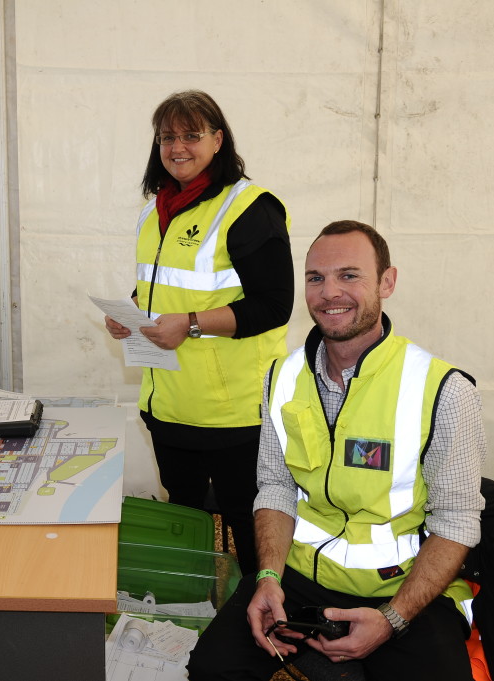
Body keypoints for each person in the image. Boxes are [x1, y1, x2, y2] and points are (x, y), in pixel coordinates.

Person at [187, 220, 487, 681]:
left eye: (349, 275)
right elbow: (275, 486)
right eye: (315, 278)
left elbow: (456, 522)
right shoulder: (280, 377)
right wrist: (267, 578)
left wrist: (392, 621)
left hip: (403, 588)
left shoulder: (443, 390)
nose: (330, 292)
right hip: (298, 580)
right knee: (211, 668)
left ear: (387, 282)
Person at [104, 90, 293, 574]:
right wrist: (130, 312)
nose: (177, 146)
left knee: (251, 532)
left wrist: (189, 324)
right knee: (185, 519)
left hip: (233, 414)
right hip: (168, 404)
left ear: (218, 140)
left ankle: (262, 624)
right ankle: (192, 615)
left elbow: (274, 305)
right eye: (168, 136)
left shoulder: (250, 207)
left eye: (191, 135)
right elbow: (161, 284)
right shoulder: (157, 208)